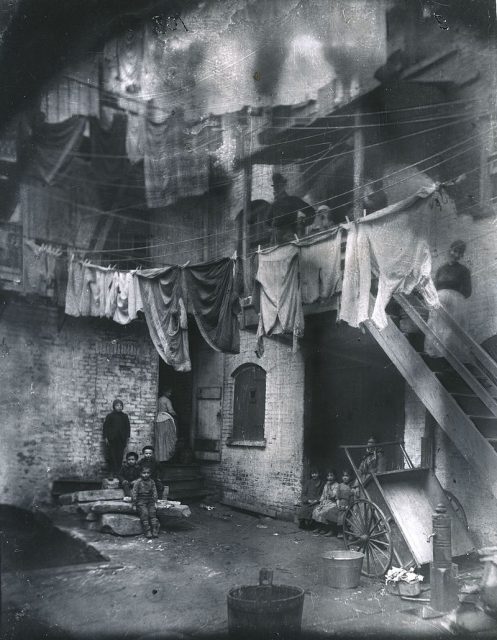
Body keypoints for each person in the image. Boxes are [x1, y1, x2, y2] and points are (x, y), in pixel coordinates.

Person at [425, 239, 472, 361]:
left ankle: (449, 359)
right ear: (450, 250)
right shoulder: (441, 269)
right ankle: (437, 356)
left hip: (455, 306)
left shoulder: (464, 271)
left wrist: (453, 297)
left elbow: (468, 291)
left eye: (459, 253)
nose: (456, 254)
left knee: (450, 331)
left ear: (461, 255)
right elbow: (435, 287)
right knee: (437, 327)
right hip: (440, 303)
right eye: (454, 251)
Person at [269, 172, 315, 243]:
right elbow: (266, 223)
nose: (276, 189)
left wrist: (302, 224)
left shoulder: (293, 200)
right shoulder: (274, 205)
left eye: (279, 186)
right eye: (275, 187)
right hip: (277, 241)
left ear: (284, 186)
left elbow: (311, 212)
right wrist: (272, 230)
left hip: (291, 238)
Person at [103, 399, 130, 477]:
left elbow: (128, 427)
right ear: (114, 407)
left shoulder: (124, 416)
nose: (119, 407)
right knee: (111, 456)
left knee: (119, 456)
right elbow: (105, 427)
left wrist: (127, 437)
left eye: (121, 405)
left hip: (121, 439)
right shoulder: (110, 416)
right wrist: (106, 437)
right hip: (112, 439)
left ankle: (118, 472)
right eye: (117, 405)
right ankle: (111, 472)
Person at [132, 465, 160, 539]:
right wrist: (134, 503)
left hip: (150, 500)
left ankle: (154, 530)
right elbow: (134, 492)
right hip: (141, 500)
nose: (146, 474)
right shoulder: (138, 482)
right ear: (140, 473)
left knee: (152, 513)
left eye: (148, 473)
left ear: (150, 474)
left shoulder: (152, 481)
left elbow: (154, 491)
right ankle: (147, 530)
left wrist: (155, 502)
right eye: (144, 473)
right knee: (144, 513)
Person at [326, 469, 355, 539]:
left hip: (348, 505)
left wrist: (348, 506)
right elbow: (337, 497)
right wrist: (338, 504)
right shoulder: (340, 485)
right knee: (331, 512)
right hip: (340, 503)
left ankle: (343, 532)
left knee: (344, 515)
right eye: (343, 476)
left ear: (350, 477)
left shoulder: (352, 486)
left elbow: (353, 499)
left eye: (347, 476)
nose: (345, 478)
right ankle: (332, 530)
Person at [312, 470, 339, 535]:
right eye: (328, 476)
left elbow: (333, 495)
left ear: (335, 476)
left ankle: (327, 529)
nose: (329, 477)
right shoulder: (326, 485)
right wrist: (321, 502)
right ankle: (320, 527)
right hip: (325, 502)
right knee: (317, 510)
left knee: (325, 512)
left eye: (331, 476)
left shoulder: (337, 485)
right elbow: (323, 495)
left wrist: (329, 487)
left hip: (333, 503)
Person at [155, 388, 177, 462]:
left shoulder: (158, 399)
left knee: (160, 438)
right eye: (169, 392)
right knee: (168, 438)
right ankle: (166, 457)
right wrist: (176, 415)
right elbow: (171, 410)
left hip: (158, 419)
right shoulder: (167, 400)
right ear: (164, 392)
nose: (170, 394)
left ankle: (160, 457)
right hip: (166, 419)